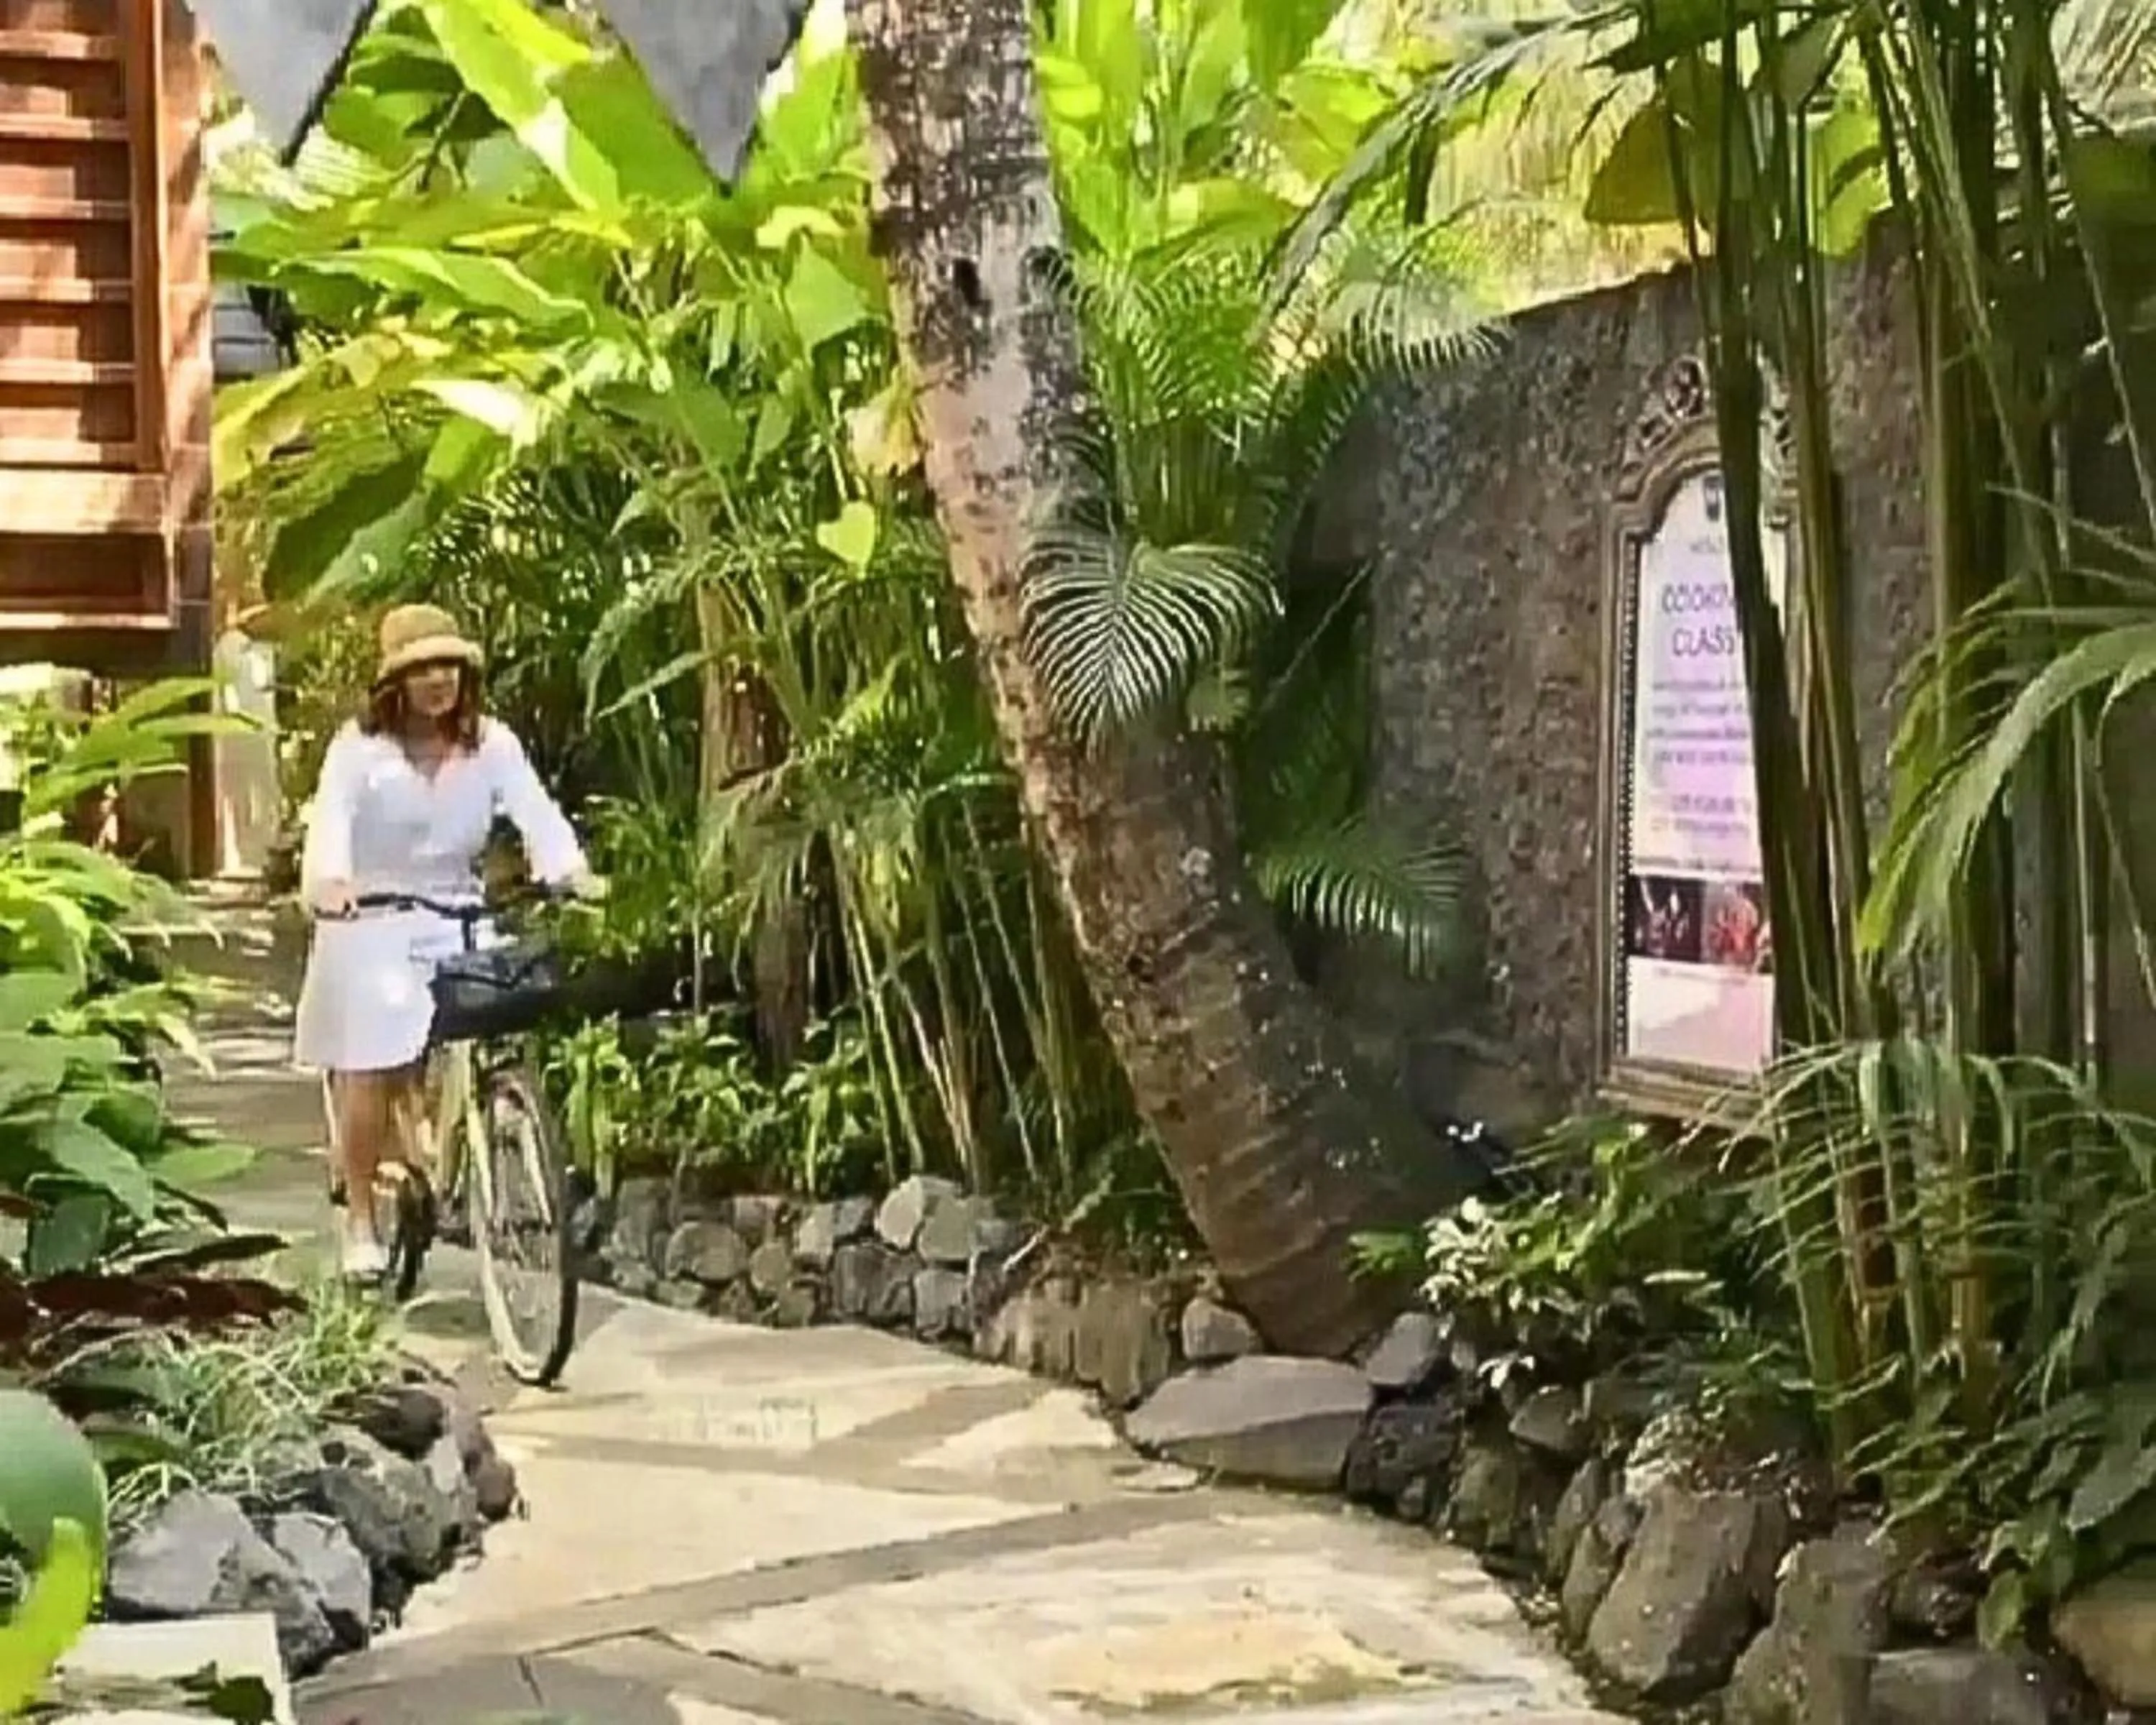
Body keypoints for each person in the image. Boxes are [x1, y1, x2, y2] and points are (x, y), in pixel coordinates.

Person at [293, 603, 601, 1279]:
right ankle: (362, 1220)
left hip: (456, 912)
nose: (438, 679)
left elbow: (535, 812)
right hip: (370, 916)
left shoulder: (491, 744)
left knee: (494, 1007)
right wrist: (329, 884)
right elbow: (331, 829)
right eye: (421, 667)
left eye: (449, 665)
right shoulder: (360, 749)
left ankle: (455, 1132)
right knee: (370, 1051)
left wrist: (568, 871)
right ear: (394, 683)